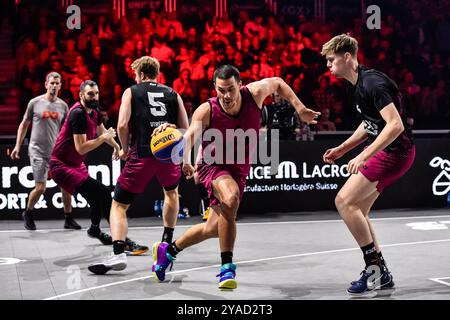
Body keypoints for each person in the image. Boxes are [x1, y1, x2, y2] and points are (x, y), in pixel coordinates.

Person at [151, 65, 320, 289]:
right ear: (215, 88)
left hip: (238, 170)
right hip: (212, 166)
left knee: (214, 228)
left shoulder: (256, 94)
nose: (227, 96)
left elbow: (278, 81)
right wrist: (186, 160)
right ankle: (227, 267)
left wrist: (300, 108)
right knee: (231, 198)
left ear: (240, 85)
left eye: (231, 89)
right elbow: (189, 137)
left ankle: (168, 251)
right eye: (221, 90)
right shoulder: (206, 110)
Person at [321, 34, 415, 295]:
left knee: (343, 201)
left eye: (331, 60)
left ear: (347, 57)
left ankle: (372, 267)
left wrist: (363, 155)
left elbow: (395, 125)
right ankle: (380, 274)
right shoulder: (356, 84)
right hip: (386, 151)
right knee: (358, 211)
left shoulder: (373, 83)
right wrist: (344, 148)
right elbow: (370, 123)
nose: (328, 65)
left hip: (395, 152)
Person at [88, 56, 189, 275]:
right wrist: (186, 159)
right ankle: (165, 244)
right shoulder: (174, 93)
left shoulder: (132, 91)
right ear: (156, 73)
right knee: (171, 194)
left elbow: (122, 124)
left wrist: (124, 148)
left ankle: (118, 253)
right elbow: (185, 130)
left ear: (141, 74)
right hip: (168, 155)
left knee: (118, 205)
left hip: (143, 152)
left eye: (135, 74)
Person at [49, 80, 143, 250]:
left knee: (95, 199)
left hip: (76, 165)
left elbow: (103, 131)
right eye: (90, 94)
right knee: (104, 194)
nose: (94, 97)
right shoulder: (77, 114)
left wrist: (117, 147)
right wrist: (103, 139)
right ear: (81, 95)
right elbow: (81, 147)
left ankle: (94, 230)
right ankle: (122, 240)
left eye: (96, 93)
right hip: (61, 166)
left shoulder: (94, 111)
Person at [11, 72, 79, 231]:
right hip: (37, 151)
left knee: (66, 186)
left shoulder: (63, 106)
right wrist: (17, 146)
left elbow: (66, 130)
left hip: (57, 153)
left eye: (57, 83)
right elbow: (24, 124)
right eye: (52, 83)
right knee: (41, 187)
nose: (54, 86)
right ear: (46, 84)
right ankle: (28, 213)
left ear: (61, 86)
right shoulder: (34, 103)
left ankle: (68, 218)